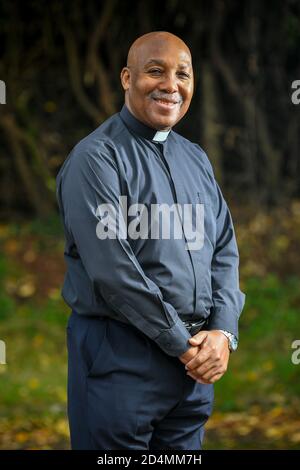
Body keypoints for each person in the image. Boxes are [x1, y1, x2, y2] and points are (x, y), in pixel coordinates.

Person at [56, 31, 245, 450]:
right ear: (127, 78)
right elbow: (113, 270)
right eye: (155, 71)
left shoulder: (194, 157)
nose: (171, 85)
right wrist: (183, 344)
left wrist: (222, 333)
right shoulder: (96, 159)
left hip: (190, 372)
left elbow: (224, 251)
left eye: (183, 74)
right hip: (119, 361)